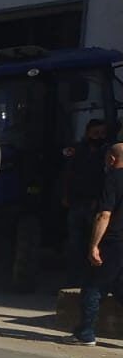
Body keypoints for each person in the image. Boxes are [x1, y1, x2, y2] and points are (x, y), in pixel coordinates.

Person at [65, 143, 123, 346]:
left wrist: (94, 245)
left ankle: (86, 332)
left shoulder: (113, 179)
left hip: (114, 241)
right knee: (119, 287)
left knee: (93, 286)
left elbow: (104, 214)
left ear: (112, 160)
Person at [63, 120, 113, 283]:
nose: (99, 137)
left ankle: (93, 280)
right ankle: (73, 279)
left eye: (102, 133)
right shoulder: (78, 151)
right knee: (74, 243)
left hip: (96, 205)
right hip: (77, 203)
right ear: (88, 133)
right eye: (95, 133)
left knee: (94, 243)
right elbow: (68, 175)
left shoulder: (107, 153)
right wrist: (66, 195)